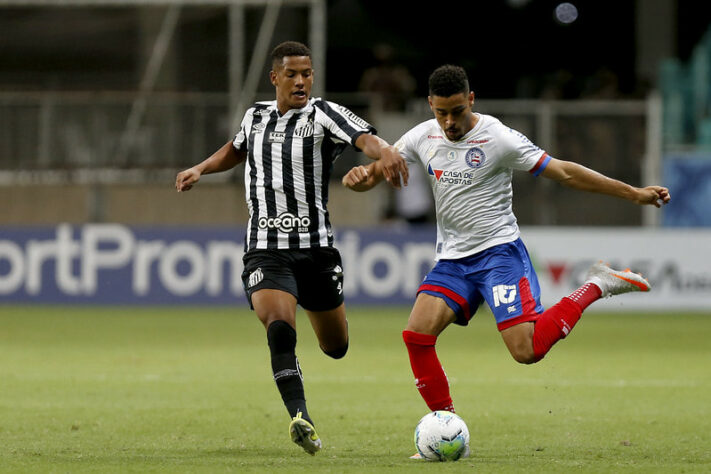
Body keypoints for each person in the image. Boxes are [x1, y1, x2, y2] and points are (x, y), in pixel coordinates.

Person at [342, 65, 671, 457]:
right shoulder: (421, 135)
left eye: (458, 111)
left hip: (499, 254)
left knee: (526, 350)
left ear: (472, 101)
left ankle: (597, 283)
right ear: (430, 105)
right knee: (417, 336)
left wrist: (633, 193)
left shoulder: (497, 138)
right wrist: (366, 176)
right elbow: (385, 167)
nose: (450, 122)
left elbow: (564, 172)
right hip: (452, 261)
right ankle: (447, 430)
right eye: (442, 112)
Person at [175, 41, 408, 455]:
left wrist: (387, 150)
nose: (301, 81)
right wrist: (201, 168)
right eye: (292, 74)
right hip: (266, 249)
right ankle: (301, 417)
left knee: (335, 348)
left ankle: (327, 330)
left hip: (316, 251)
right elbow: (235, 149)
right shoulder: (255, 116)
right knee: (280, 328)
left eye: (307, 74)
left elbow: (364, 137)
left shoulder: (324, 114)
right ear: (275, 78)